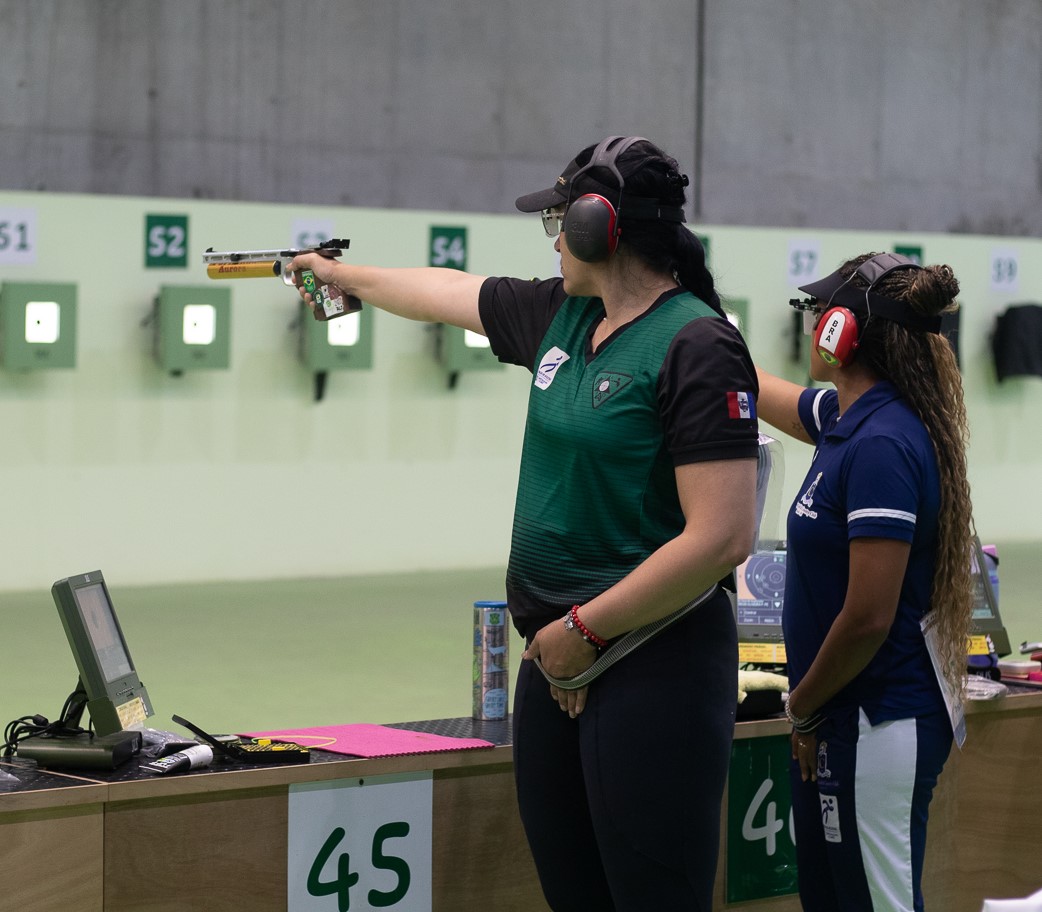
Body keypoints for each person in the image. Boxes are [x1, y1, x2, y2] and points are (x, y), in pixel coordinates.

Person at [290, 135, 760, 911]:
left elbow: (722, 536)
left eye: (558, 223)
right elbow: (448, 291)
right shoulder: (565, 316)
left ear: (596, 227)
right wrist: (342, 277)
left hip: (652, 663)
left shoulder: (697, 344)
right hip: (557, 659)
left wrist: (588, 628)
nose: (552, 242)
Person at [755, 252, 973, 912]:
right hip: (843, 716)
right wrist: (694, 330)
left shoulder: (881, 443)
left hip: (879, 718)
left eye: (819, 311)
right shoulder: (851, 419)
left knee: (878, 902)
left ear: (841, 331)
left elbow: (868, 616)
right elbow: (768, 392)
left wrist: (802, 704)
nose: (812, 321)